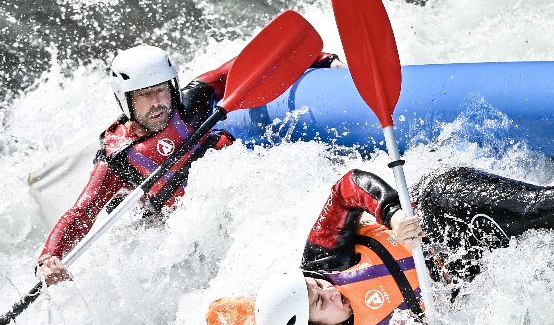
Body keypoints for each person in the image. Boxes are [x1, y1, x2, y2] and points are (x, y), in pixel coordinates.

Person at [252, 165, 554, 325]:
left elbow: (348, 187)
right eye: (319, 303)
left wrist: (392, 214)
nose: (329, 291)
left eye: (318, 287)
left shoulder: (323, 256)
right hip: (469, 270)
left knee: (538, 211)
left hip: (441, 214)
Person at [35, 44, 334, 285]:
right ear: (125, 101)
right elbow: (82, 212)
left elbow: (254, 64)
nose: (157, 104)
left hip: (242, 194)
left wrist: (324, 60)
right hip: (189, 235)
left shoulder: (191, 102)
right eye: (144, 96)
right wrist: (50, 257)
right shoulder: (118, 158)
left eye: (161, 91)